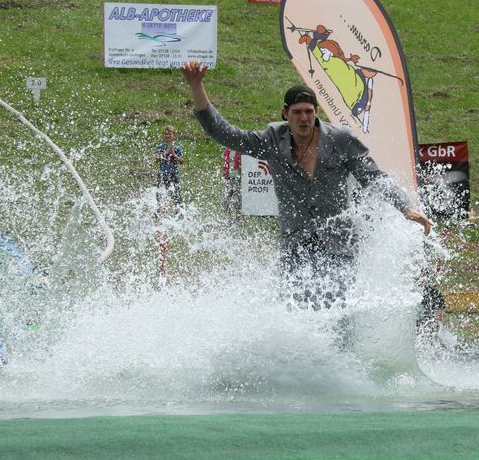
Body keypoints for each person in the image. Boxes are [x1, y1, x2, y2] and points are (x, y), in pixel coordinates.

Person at [181, 60, 432, 309]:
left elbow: (373, 177)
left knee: (334, 316)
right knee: (293, 316)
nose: (304, 118)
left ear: (316, 112)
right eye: (297, 112)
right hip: (295, 246)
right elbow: (223, 133)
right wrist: (196, 87)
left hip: (338, 246)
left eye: (309, 112)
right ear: (285, 114)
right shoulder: (271, 140)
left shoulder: (341, 139)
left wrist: (405, 207)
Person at [154, 124, 184, 206]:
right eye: (165, 134)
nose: (168, 135)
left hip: (174, 173)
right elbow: (156, 159)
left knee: (177, 192)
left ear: (174, 136)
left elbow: (182, 161)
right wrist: (166, 153)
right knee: (160, 193)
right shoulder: (160, 147)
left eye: (170, 134)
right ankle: (160, 209)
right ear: (163, 136)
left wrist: (175, 156)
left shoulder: (177, 148)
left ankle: (178, 209)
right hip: (162, 173)